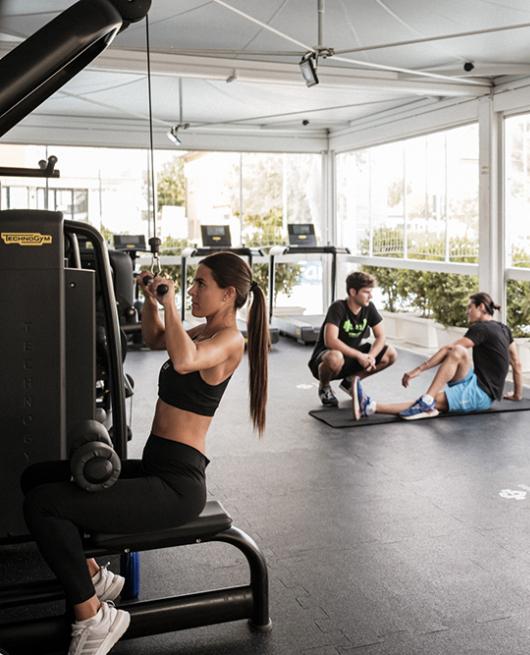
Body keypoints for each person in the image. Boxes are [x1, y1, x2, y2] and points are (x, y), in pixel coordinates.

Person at [21, 251, 269, 655]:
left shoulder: (229, 339)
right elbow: (156, 338)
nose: (191, 290)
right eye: (191, 284)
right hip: (157, 466)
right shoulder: (203, 331)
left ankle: (94, 618)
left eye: (200, 284)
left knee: (44, 505)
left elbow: (183, 360)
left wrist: (169, 302)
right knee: (37, 478)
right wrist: (153, 301)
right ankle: (93, 578)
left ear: (227, 294)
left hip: (177, 485)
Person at [353, 292, 523, 421]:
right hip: (475, 381)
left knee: (432, 398)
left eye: (469, 307)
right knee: (459, 352)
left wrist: (418, 370)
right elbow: (517, 363)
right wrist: (517, 394)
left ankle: (371, 407)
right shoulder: (503, 328)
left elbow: (448, 347)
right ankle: (428, 400)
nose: (467, 312)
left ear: (480, 307)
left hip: (480, 395)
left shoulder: (481, 329)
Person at [308, 270, 397, 408]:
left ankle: (350, 382)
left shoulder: (369, 308)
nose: (370, 296)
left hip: (350, 358)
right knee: (335, 357)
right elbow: (330, 341)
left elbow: (381, 336)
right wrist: (360, 355)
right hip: (325, 359)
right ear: (353, 292)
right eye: (366, 292)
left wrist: (371, 357)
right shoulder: (338, 308)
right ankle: (324, 387)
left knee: (390, 353)